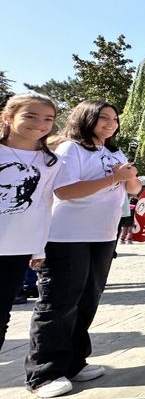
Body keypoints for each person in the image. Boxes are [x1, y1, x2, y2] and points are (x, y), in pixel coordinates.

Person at [25, 100, 142, 398]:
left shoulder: (113, 152)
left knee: (88, 300)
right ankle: (44, 372)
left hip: (102, 236)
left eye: (114, 119)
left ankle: (75, 361)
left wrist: (128, 176)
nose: (110, 123)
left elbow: (134, 189)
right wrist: (114, 177)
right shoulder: (70, 149)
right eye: (103, 118)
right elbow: (64, 191)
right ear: (86, 118)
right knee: (59, 303)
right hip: (67, 237)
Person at [0, 93, 60, 352]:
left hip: (16, 248)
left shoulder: (49, 161)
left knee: (2, 316)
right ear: (8, 117)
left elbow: (44, 205)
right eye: (30, 116)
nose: (40, 124)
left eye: (48, 118)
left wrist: (38, 246)